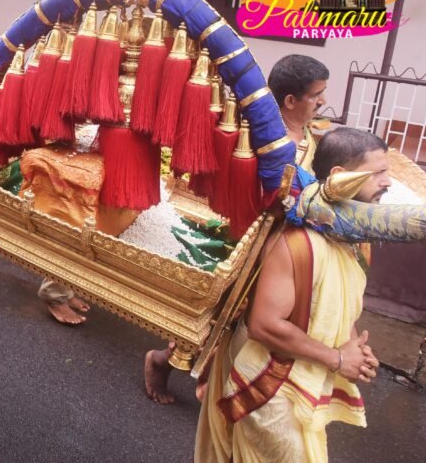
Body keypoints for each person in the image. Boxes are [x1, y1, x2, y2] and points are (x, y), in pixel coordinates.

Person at [145, 54, 331, 405]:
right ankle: (161, 361)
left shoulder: (311, 134)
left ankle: (218, 383)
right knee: (217, 317)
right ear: (290, 101)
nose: (323, 102)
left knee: (249, 324)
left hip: (282, 248)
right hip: (245, 241)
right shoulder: (254, 134)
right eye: (317, 95)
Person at [195, 127, 389, 462]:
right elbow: (264, 326)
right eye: (379, 173)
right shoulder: (295, 243)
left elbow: (339, 306)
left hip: (309, 383)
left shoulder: (359, 243)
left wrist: (353, 347)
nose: (387, 182)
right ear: (340, 177)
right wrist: (338, 359)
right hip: (272, 391)